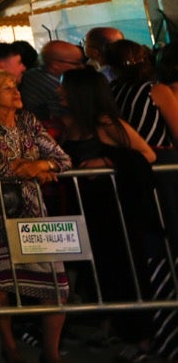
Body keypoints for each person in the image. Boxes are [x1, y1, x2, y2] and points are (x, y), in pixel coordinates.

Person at [0, 69, 72, 363]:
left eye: (15, 86)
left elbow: (62, 158)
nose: (16, 92)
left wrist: (42, 166)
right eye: (7, 88)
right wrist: (30, 166)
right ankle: (9, 346)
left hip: (33, 210)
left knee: (56, 281)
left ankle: (50, 351)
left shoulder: (28, 120)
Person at [58, 67, 157, 359]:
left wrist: (105, 160)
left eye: (64, 86)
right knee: (98, 270)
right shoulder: (70, 123)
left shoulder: (106, 123)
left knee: (124, 269)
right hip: (86, 206)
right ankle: (112, 325)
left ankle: (141, 337)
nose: (58, 91)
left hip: (115, 208)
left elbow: (147, 155)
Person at [19, 40, 85, 140]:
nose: (82, 66)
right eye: (76, 63)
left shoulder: (31, 74)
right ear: (55, 65)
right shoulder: (57, 87)